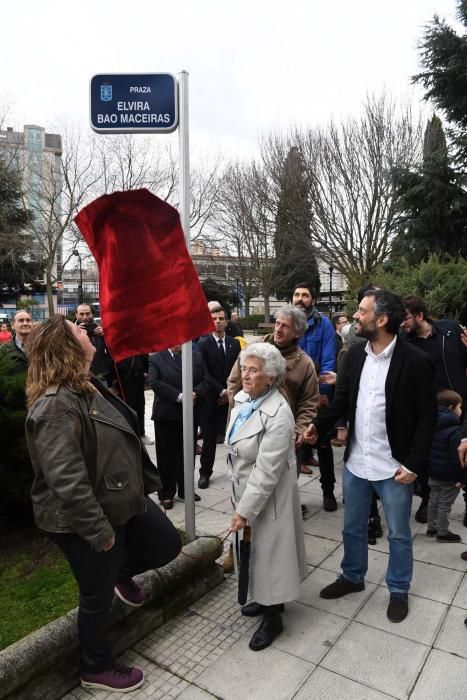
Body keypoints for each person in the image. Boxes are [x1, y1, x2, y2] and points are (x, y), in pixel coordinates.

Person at [25, 315, 181, 693]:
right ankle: (95, 667)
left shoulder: (86, 386)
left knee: (167, 543)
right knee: (95, 596)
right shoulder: (55, 406)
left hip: (122, 500)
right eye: (77, 329)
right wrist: (98, 531)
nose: (87, 329)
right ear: (66, 346)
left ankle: (120, 573)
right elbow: (67, 480)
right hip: (86, 519)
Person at [304, 289, 437, 622]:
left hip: (395, 468)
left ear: (381, 320)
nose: (355, 316)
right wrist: (317, 428)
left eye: (361, 311)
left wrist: (414, 465)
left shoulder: (416, 362)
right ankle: (352, 576)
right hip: (356, 463)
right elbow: (341, 401)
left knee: (398, 533)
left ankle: (398, 588)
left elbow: (427, 418)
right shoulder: (356, 355)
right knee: (351, 528)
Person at [227, 343, 305, 651]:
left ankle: (274, 617)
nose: (245, 375)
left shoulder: (279, 413)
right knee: (254, 553)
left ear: (270, 377)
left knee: (270, 556)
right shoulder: (244, 399)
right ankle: (263, 600)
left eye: (254, 370)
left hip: (267, 496)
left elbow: (267, 471)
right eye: (244, 368)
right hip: (244, 491)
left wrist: (243, 511)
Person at [401, 295, 467, 524]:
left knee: (464, 453)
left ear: (419, 315)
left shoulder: (449, 329)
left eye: (406, 317)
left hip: (460, 404)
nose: (402, 322)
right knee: (432, 457)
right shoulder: (404, 341)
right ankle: (428, 501)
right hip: (431, 410)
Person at [148, 344, 211, 509]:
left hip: (190, 413)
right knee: (166, 456)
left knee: (188, 453)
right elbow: (154, 382)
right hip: (167, 414)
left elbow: (206, 378)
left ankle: (185, 489)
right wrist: (180, 396)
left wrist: (195, 393)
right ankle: (167, 493)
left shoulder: (195, 355)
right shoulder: (156, 358)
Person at [292, 283, 337, 510]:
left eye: (305, 295)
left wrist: (320, 395)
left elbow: (328, 363)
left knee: (324, 446)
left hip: (318, 397)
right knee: (292, 451)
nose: (300, 299)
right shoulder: (286, 323)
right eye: (297, 295)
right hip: (291, 400)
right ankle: (292, 500)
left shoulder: (324, 324)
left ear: (313, 300)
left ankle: (328, 492)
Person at [197, 306, 241, 488]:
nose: (217, 321)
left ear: (227, 321)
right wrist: (221, 391)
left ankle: (237, 472)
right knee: (209, 439)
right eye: (214, 318)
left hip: (231, 399)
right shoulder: (203, 344)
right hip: (211, 399)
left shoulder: (234, 343)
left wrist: (229, 392)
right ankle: (205, 473)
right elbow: (204, 373)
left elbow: (238, 370)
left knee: (236, 437)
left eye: (221, 318)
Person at [426, 390, 464, 542]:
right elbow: (457, 459)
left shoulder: (431, 423)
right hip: (449, 476)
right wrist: (461, 478)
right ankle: (442, 532)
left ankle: (431, 527)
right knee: (445, 503)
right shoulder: (454, 431)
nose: (461, 410)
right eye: (459, 407)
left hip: (434, 471)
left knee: (433, 499)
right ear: (451, 408)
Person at [115, 354, 153, 445]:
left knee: (140, 407)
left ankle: (141, 433)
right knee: (127, 408)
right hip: (124, 382)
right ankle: (130, 435)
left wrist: (145, 371)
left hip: (138, 380)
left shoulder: (136, 345)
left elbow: (145, 357)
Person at [75, 304, 114, 386]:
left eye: (88, 313)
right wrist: (76, 335)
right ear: (76, 315)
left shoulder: (99, 328)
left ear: (92, 314)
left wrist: (105, 336)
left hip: (100, 374)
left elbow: (112, 350)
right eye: (81, 314)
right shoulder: (71, 330)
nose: (85, 317)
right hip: (79, 375)